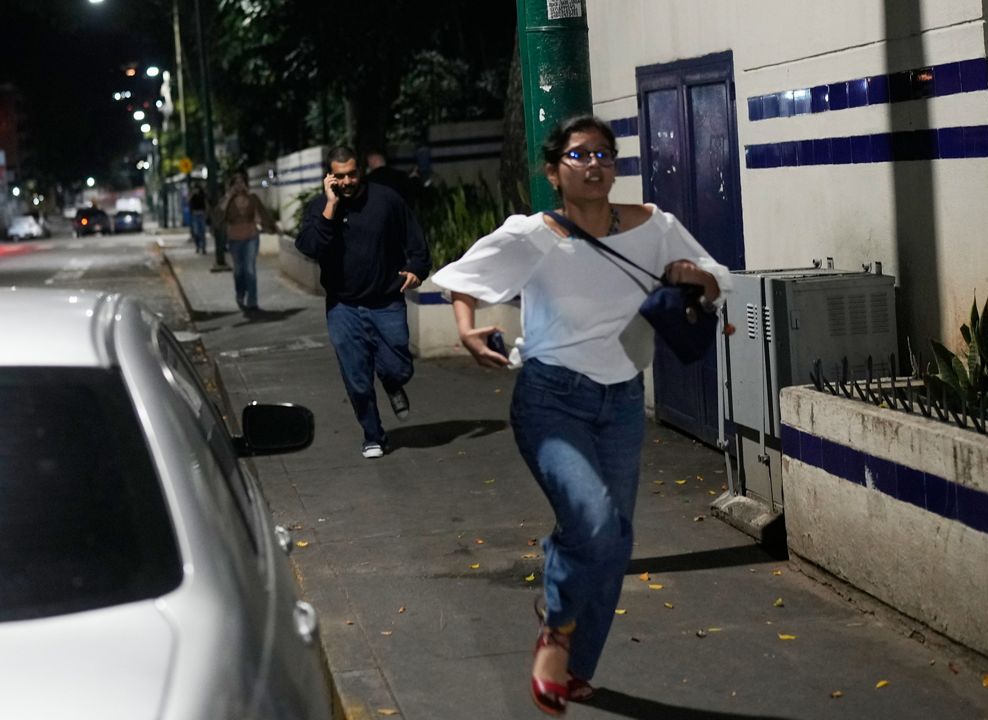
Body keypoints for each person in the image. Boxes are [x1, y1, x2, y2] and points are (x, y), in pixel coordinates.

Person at [432, 115, 731, 716]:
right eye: (579, 155)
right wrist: (467, 332)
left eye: (603, 154)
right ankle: (556, 625)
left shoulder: (655, 227)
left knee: (614, 543)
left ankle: (575, 669)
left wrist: (695, 276)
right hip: (550, 400)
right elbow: (461, 281)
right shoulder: (532, 235)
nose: (594, 164)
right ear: (554, 171)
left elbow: (718, 280)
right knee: (594, 523)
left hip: (620, 402)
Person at [296, 145, 430, 459]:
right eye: (339, 176)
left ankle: (392, 382)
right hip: (343, 307)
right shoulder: (320, 208)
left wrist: (417, 268)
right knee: (356, 377)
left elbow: (415, 240)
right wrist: (330, 208)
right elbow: (311, 247)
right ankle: (373, 434)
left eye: (352, 174)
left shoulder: (386, 200)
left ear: (361, 172)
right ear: (329, 177)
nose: (346, 181)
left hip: (387, 301)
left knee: (398, 367)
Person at [212, 171, 276, 313]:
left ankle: (252, 302)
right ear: (232, 185)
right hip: (235, 239)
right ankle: (240, 294)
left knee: (250, 269)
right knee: (239, 271)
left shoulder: (252, 198)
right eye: (236, 183)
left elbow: (263, 214)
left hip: (251, 236)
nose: (239, 185)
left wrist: (271, 228)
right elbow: (218, 216)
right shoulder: (227, 201)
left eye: (242, 182)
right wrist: (228, 197)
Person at [188, 183, 208, 254]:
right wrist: (192, 194)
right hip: (195, 214)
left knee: (202, 231)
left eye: (197, 189)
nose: (196, 190)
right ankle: (198, 246)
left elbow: (205, 203)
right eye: (195, 189)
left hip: (201, 214)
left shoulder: (202, 195)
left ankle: (203, 248)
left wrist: (206, 213)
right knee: (196, 232)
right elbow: (188, 200)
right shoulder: (192, 196)